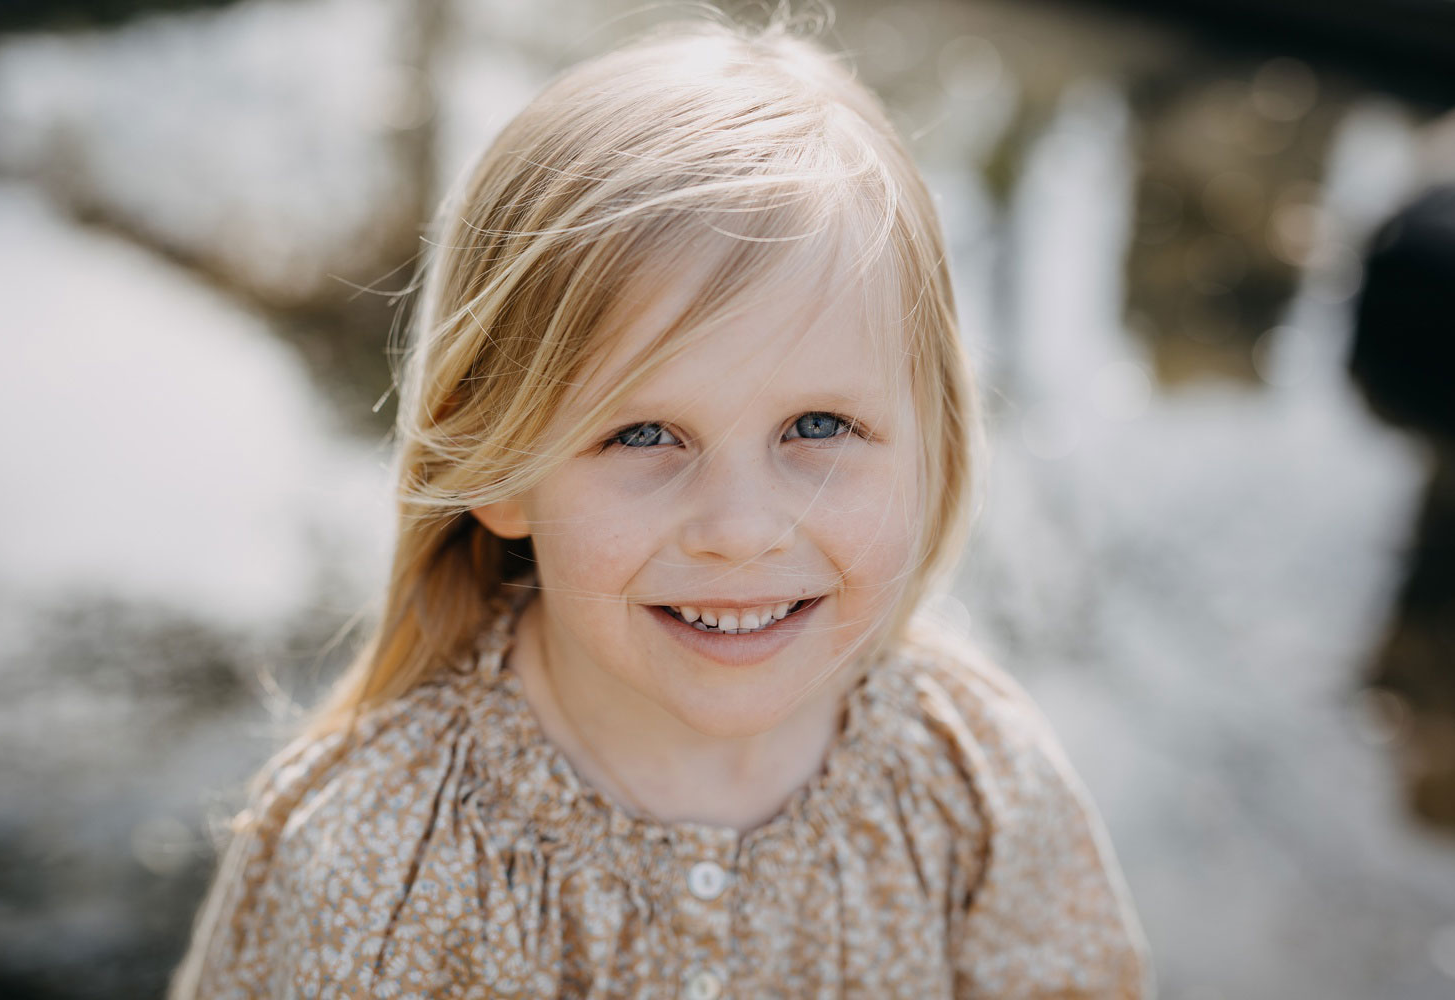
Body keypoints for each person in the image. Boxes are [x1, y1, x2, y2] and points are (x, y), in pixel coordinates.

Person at [168, 11, 1153, 999]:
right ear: (501, 464)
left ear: (931, 442)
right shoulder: (372, 857)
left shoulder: (978, 787)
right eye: (642, 435)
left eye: (816, 426)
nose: (740, 529)